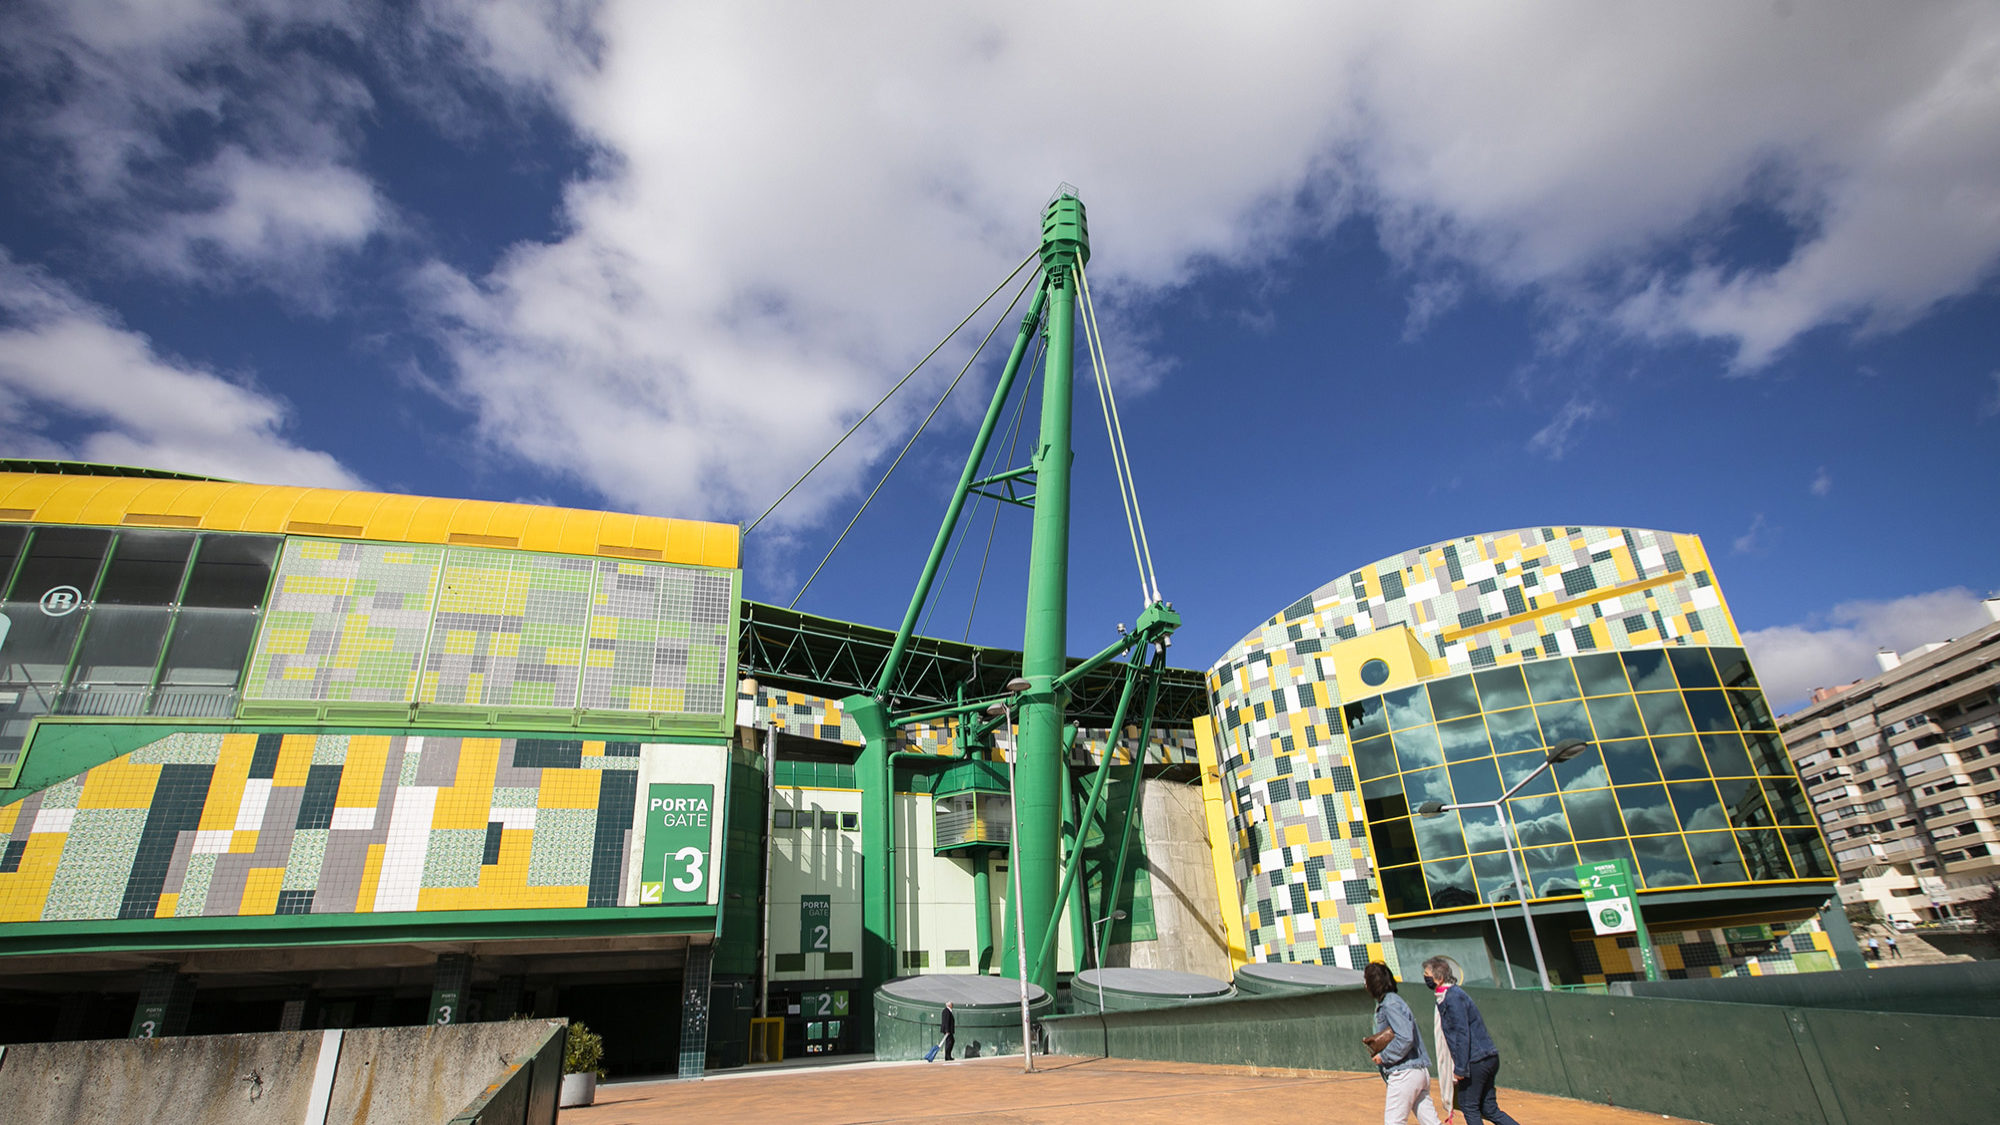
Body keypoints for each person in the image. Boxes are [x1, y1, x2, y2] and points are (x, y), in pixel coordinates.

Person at [1424, 957, 1520, 1125]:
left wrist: (1460, 1068)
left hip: (1476, 1060)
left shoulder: (1452, 997)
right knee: (1489, 1109)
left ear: (1439, 978)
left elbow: (1462, 1032)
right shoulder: (1450, 995)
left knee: (1469, 1105)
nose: (1425, 978)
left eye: (1427, 975)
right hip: (1486, 1057)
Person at [1364, 962, 1443, 1125]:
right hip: (1417, 1071)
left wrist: (1384, 1056)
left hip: (1404, 1073)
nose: (1365, 984)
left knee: (1394, 1122)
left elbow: (1405, 1037)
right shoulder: (1391, 1001)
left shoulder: (1390, 1003)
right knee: (1431, 1122)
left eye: (1366, 980)